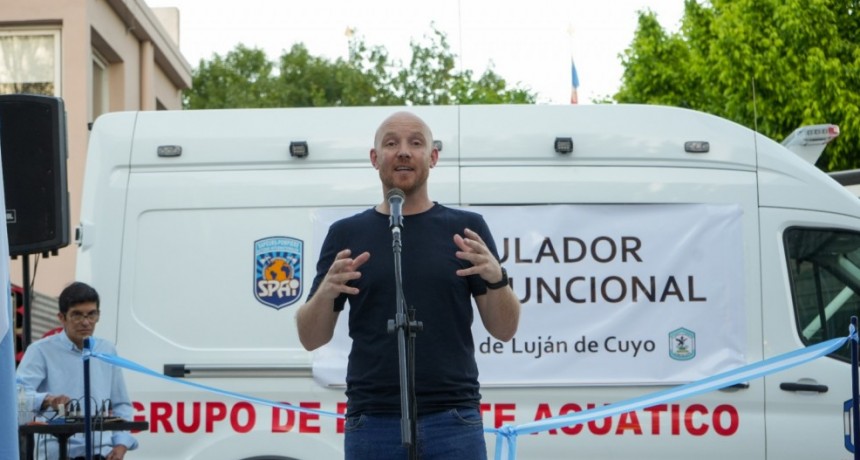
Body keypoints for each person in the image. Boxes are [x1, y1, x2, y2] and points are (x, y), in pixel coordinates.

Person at [296, 111, 521, 459]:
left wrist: (497, 279)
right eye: (391, 143)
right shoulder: (346, 234)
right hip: (372, 422)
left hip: (453, 420)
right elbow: (311, 337)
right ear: (374, 159)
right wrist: (326, 291)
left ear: (433, 157)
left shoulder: (466, 229)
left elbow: (505, 329)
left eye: (416, 143)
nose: (403, 151)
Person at [16, 282, 138, 460]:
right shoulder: (40, 350)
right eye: (77, 315)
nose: (86, 322)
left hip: (101, 453)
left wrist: (121, 444)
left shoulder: (107, 350)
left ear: (98, 315)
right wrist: (46, 400)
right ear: (61, 317)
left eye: (91, 314)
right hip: (57, 453)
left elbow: (121, 405)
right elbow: (17, 396)